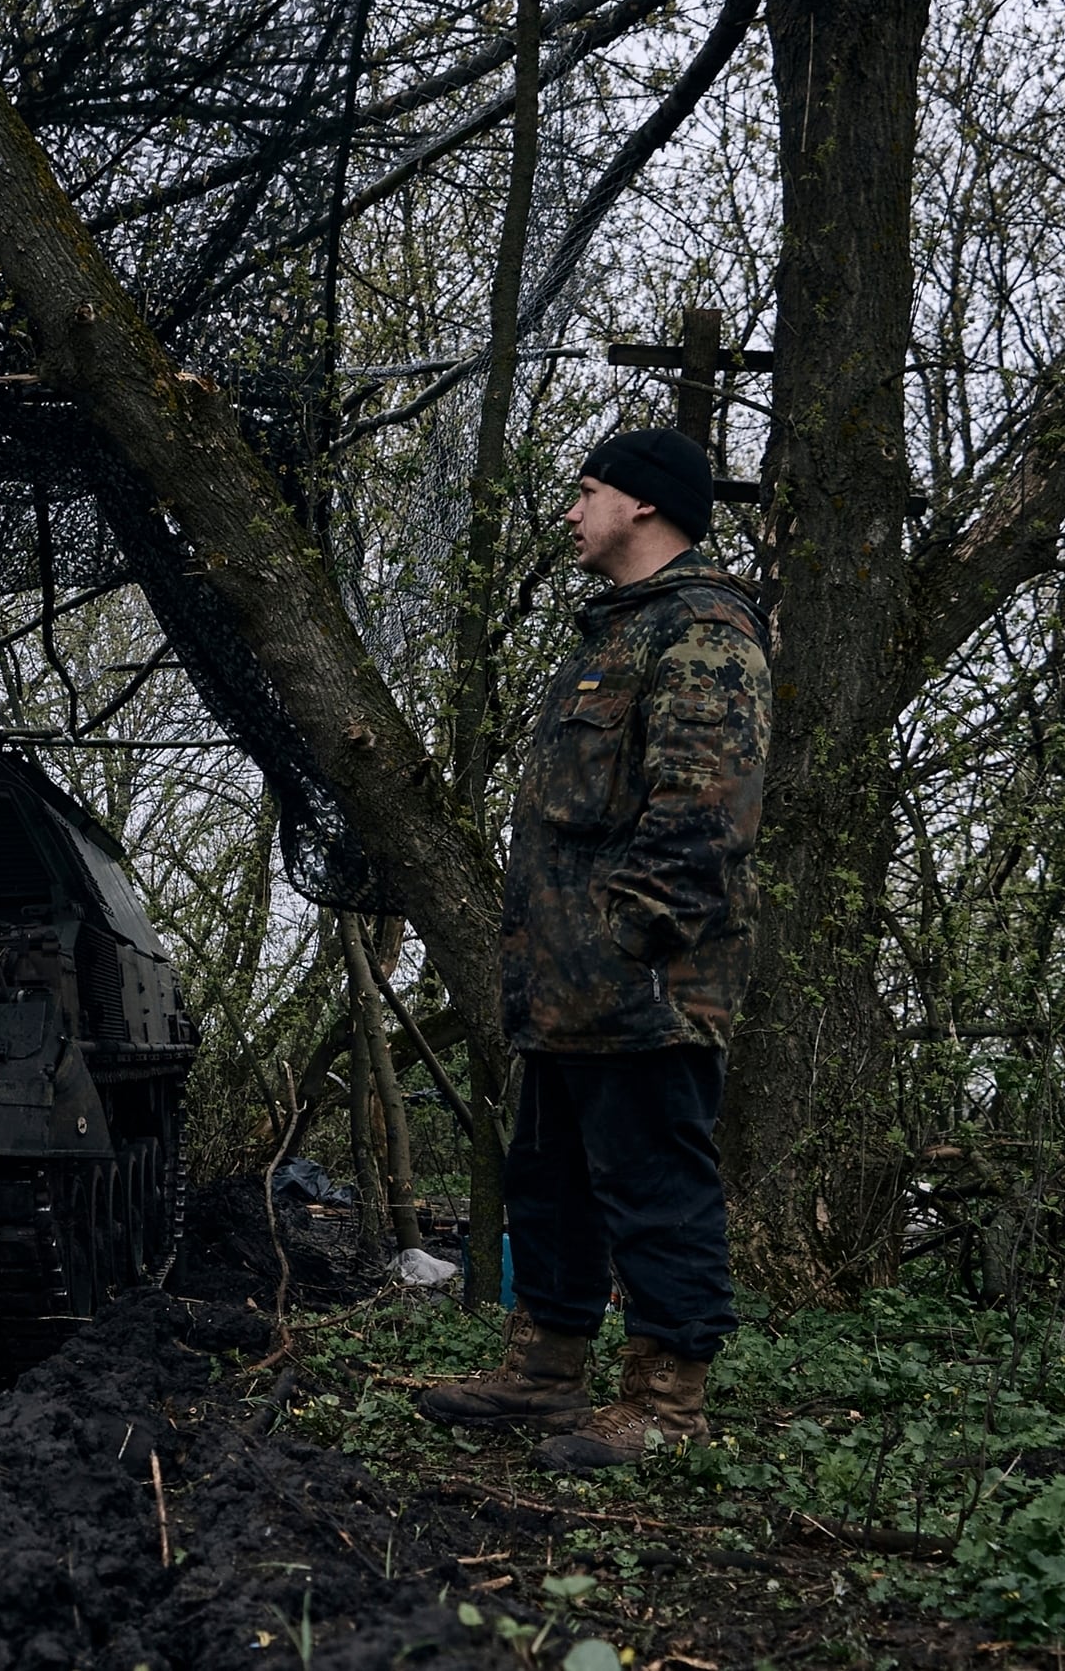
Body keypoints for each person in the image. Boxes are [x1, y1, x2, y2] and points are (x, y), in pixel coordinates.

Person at [418, 426, 771, 1471]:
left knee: (655, 1186)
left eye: (585, 493)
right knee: (552, 1180)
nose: (571, 513)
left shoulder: (701, 629)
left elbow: (703, 816)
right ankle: (542, 1371)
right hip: (563, 983)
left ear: (643, 505)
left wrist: (628, 945)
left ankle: (667, 1401)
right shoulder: (613, 631)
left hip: (641, 984)